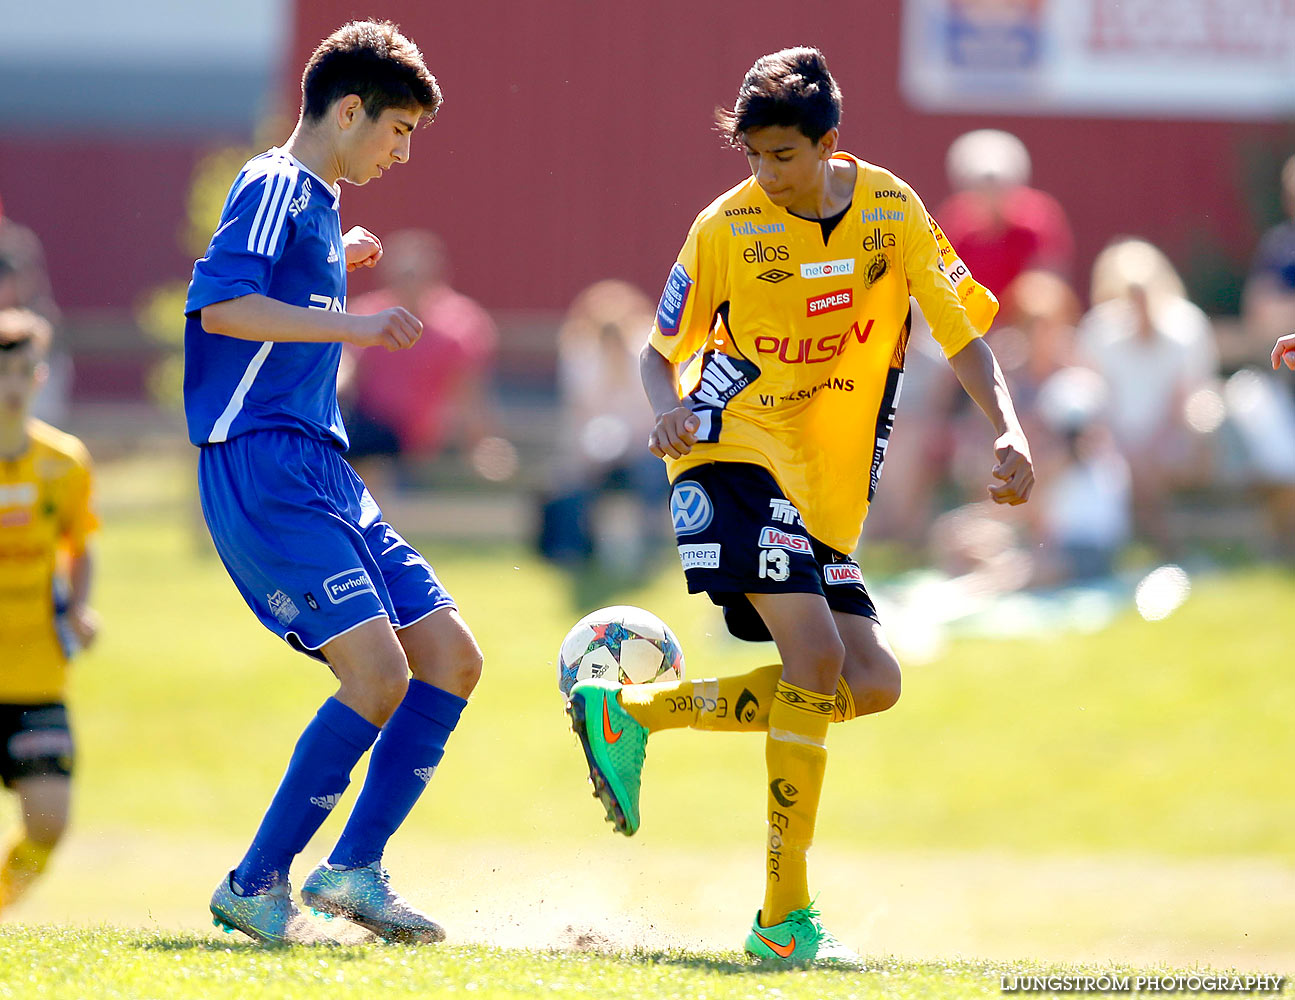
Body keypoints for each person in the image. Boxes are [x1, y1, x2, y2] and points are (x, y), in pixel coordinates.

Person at [564, 48, 1033, 966]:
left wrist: (1009, 431)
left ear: (828, 145)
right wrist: (666, 409)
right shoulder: (725, 229)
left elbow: (963, 335)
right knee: (813, 658)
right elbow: (662, 350)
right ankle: (784, 918)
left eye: (782, 157)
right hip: (727, 453)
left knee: (869, 683)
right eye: (751, 157)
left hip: (820, 488)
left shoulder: (892, 211)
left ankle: (636, 712)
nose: (765, 176)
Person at [183, 20, 483, 945]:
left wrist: (329, 272)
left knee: (450, 657)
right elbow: (222, 307)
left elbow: (274, 299)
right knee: (376, 671)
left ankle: (352, 872)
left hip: (321, 462)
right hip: (264, 462)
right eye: (396, 131)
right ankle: (255, 881)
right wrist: (357, 324)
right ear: (347, 109)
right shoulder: (277, 182)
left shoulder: (311, 204)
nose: (401, 153)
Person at [0, 308, 98, 914]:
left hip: (37, 676)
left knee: (49, 824)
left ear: (39, 376)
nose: (10, 385)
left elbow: (80, 546)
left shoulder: (65, 461)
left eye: (21, 371)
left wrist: (82, 609)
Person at [1075, 238, 1217, 552]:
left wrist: (1154, 443)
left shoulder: (1185, 326)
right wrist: (1119, 444)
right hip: (1113, 441)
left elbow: (1192, 397)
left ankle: (1156, 539)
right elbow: (1091, 396)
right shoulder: (1098, 331)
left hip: (1173, 438)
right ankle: (1147, 541)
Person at [342, 230, 501, 494]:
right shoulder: (370, 312)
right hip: (369, 419)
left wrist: (479, 443)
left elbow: (468, 390)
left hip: (413, 429)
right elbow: (346, 369)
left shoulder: (457, 323)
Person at [538, 279, 668, 569]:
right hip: (594, 453)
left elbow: (652, 414)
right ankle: (573, 550)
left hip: (642, 450)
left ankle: (648, 551)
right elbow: (579, 414)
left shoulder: (645, 357)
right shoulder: (581, 359)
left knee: (651, 476)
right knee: (569, 482)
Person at [935, 129, 1074, 297]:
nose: (992, 194)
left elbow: (1050, 281)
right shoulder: (955, 222)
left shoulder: (1037, 221)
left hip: (1023, 318)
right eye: (982, 187)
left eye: (1000, 186)